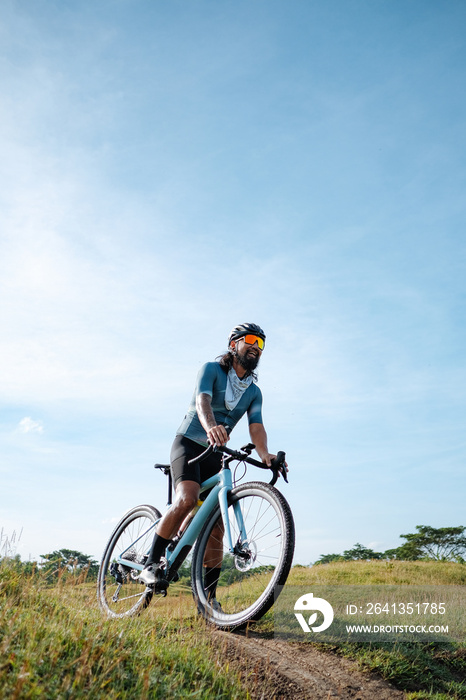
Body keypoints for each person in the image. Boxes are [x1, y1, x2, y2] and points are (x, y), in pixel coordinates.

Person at [139, 322, 282, 606]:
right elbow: (202, 401)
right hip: (189, 443)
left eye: (261, 343)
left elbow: (256, 427)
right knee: (187, 499)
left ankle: (209, 600)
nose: (255, 346)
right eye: (250, 340)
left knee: (216, 526)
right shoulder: (211, 370)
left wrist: (266, 455)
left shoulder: (254, 392)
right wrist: (211, 426)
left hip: (216, 451)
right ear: (234, 344)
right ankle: (151, 562)